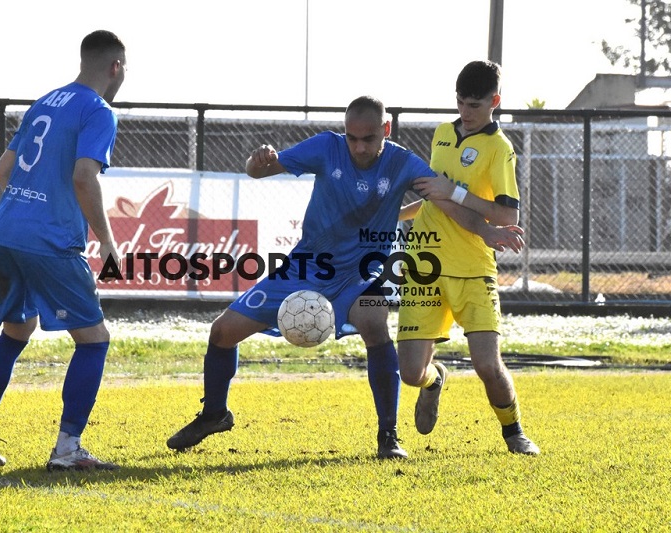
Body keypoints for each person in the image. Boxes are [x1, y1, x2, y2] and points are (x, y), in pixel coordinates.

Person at [166, 96, 524, 459]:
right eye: (352, 138)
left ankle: (388, 436)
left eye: (368, 139)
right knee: (222, 332)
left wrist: (487, 231)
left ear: (386, 130)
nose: (359, 147)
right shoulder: (326, 147)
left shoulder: (402, 163)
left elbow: (444, 202)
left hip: (362, 271)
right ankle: (215, 414)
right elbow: (259, 171)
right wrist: (256, 161)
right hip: (307, 266)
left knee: (373, 322)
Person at [0, 30, 128, 471]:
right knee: (94, 340)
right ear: (116, 67)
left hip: (7, 231)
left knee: (16, 332)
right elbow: (84, 177)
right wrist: (107, 241)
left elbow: (3, 170)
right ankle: (68, 449)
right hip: (50, 241)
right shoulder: (99, 110)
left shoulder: (45, 101)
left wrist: (28, 208)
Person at [397, 60, 539, 455]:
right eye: (460, 102)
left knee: (487, 366)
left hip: (473, 268)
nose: (465, 111)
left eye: (474, 105)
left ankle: (514, 432)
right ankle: (435, 380)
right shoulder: (443, 134)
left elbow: (507, 216)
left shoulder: (500, 149)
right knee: (411, 373)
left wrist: (454, 193)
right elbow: (434, 197)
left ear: (495, 101)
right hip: (424, 263)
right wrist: (397, 214)